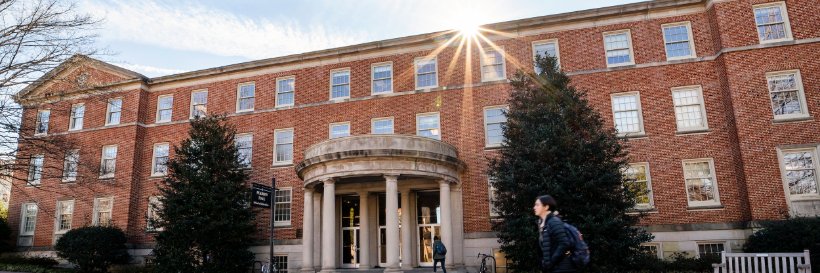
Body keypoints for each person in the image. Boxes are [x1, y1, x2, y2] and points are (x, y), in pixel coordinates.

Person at [534, 195, 575, 273]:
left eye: (537, 205)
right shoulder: (543, 224)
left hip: (562, 268)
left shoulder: (554, 221)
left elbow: (564, 243)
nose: (534, 207)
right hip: (553, 268)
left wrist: (551, 262)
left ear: (546, 207)